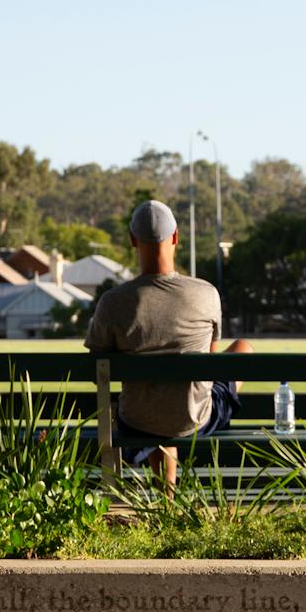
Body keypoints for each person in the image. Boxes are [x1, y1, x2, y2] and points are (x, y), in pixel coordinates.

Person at [84, 200, 252, 488]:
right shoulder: (206, 293)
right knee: (243, 348)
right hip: (195, 418)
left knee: (155, 406)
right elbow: (212, 362)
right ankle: (169, 494)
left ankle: (167, 496)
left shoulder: (112, 303)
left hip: (136, 420)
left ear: (133, 240)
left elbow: (97, 366)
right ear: (175, 237)